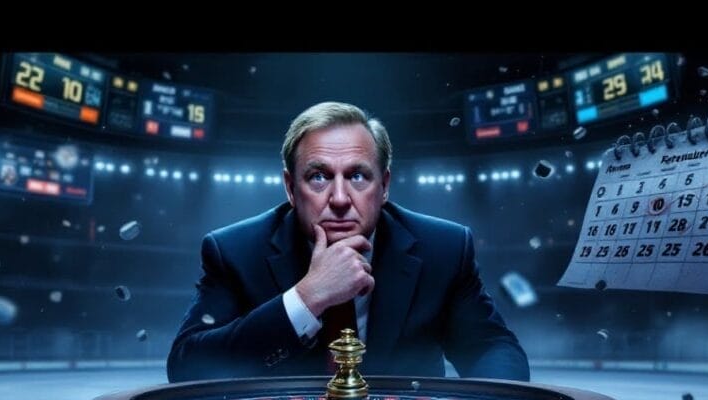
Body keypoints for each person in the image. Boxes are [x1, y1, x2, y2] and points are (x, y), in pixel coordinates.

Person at [167, 102, 529, 382]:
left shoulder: (445, 249)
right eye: (319, 177)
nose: (340, 198)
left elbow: (492, 349)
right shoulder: (234, 251)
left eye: (357, 175)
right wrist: (307, 298)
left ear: (384, 186)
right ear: (291, 189)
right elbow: (188, 366)